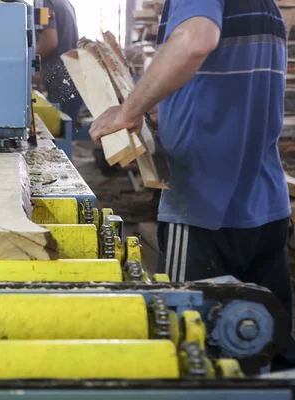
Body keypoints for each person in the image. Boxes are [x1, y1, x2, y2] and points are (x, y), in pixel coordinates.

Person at [89, 0, 293, 368]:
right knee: (267, 349)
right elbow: (232, 80)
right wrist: (165, 103)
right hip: (266, 202)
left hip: (205, 209)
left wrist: (130, 109)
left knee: (190, 353)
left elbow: (196, 41)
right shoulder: (265, 7)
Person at [35, 0, 83, 122]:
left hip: (59, 79)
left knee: (58, 132)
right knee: (67, 130)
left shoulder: (45, 3)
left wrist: (30, 62)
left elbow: (50, 41)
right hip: (73, 77)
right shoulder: (66, 4)